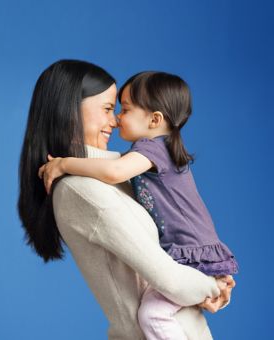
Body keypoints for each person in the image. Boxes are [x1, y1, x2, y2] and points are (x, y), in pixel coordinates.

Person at [18, 60, 234, 340]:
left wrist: (213, 282)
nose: (116, 119)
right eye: (108, 108)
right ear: (70, 111)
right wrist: (212, 284)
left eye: (120, 109)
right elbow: (170, 280)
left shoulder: (126, 174)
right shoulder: (82, 189)